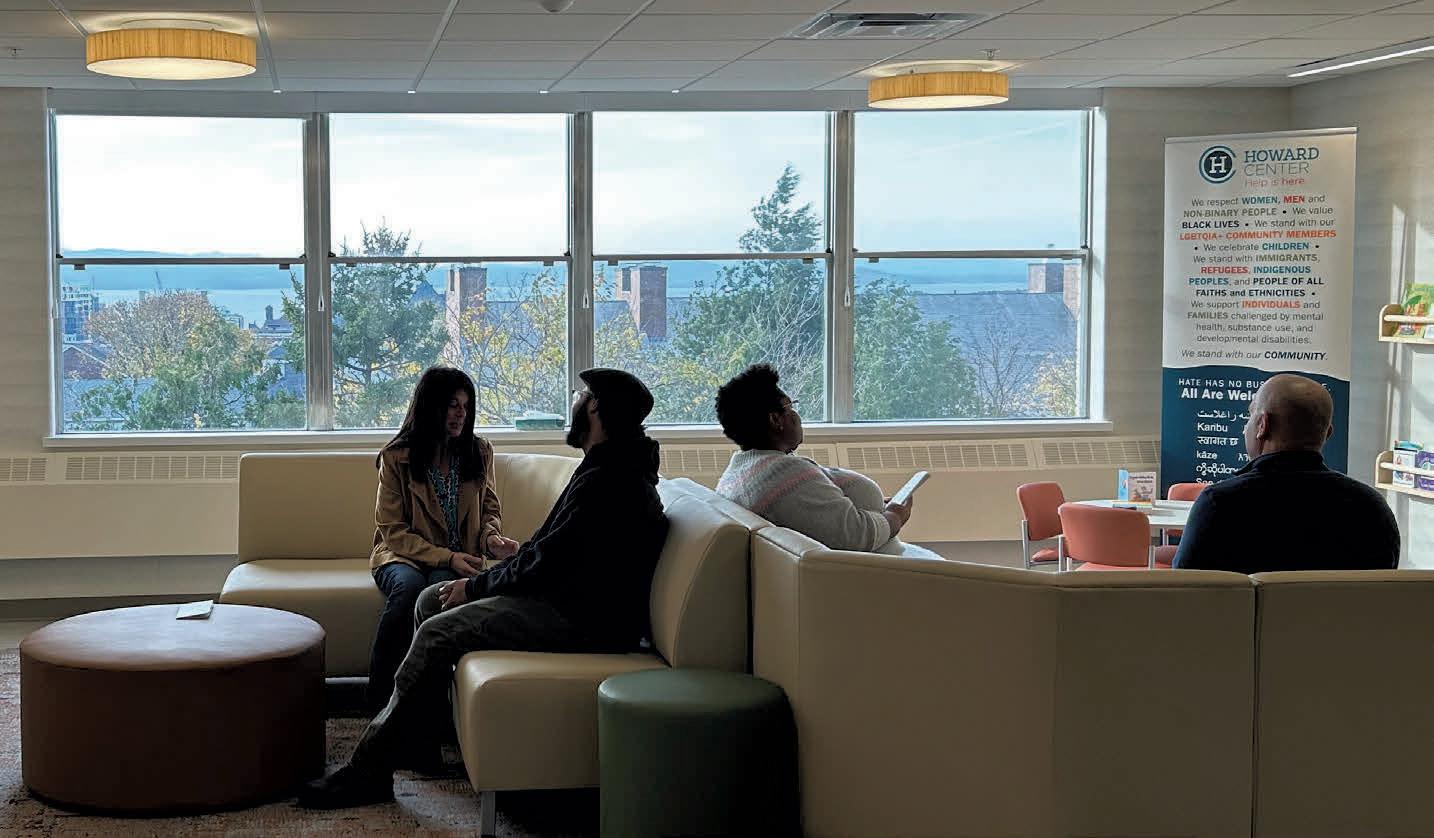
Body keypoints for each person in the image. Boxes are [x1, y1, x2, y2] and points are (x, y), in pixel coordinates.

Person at [299, 368, 669, 809]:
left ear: (596, 408)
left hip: (582, 619)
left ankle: (369, 770)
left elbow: (548, 561)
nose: (575, 399)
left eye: (581, 394)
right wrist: (507, 560)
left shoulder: (612, 479)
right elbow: (552, 551)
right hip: (564, 597)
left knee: (437, 631)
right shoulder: (602, 466)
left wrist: (475, 587)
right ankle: (419, 736)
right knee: (427, 599)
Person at [368, 366, 516, 712]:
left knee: (439, 592)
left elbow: (490, 509)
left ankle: (428, 710)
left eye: (465, 406)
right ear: (430, 406)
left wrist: (492, 539)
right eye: (452, 405)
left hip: (458, 557)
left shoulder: (479, 452)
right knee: (408, 590)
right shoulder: (397, 457)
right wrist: (447, 557)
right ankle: (379, 701)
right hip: (402, 555)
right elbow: (392, 530)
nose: (461, 413)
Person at [1173, 373, 1399, 573]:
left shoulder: (1219, 506)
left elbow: (1185, 592)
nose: (1245, 427)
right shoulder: (1372, 509)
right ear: (1328, 433)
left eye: (1249, 415)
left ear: (1262, 425)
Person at [713, 364, 930, 557]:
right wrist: (896, 515)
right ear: (775, 419)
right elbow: (854, 536)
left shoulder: (743, 471)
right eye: (790, 407)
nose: (796, 416)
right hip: (878, 568)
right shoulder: (782, 474)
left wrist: (875, 507)